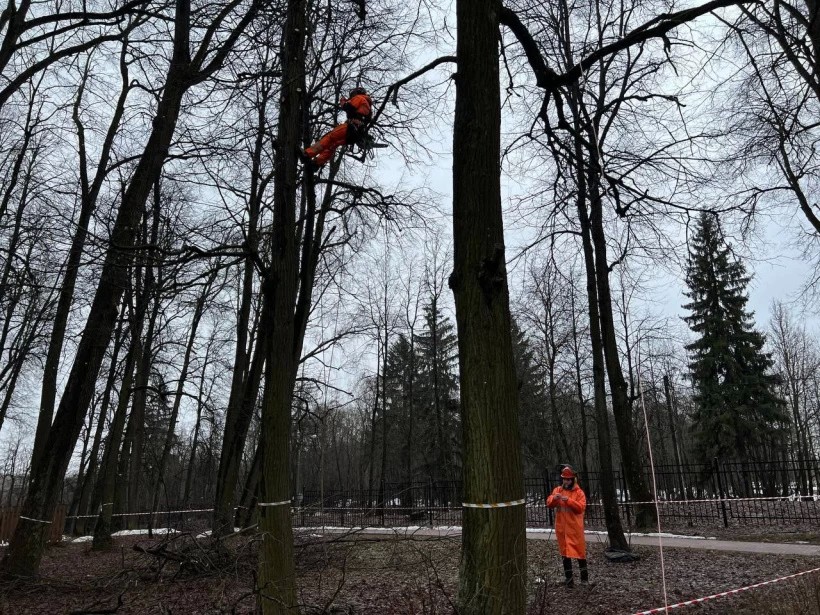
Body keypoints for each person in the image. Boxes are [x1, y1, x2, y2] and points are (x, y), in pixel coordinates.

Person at [301, 87, 373, 167]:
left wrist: (343, 101)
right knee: (333, 144)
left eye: (352, 95)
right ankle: (316, 163)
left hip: (350, 128)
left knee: (329, 137)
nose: (352, 97)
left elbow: (348, 107)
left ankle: (307, 154)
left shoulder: (360, 98)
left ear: (357, 93)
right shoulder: (369, 108)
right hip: (354, 135)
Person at [546, 465, 589, 587]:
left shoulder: (579, 493)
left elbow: (580, 508)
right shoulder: (558, 490)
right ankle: (569, 580)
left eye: (568, 479)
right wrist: (555, 498)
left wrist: (568, 501)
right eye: (564, 479)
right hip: (562, 529)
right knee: (565, 555)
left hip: (575, 529)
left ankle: (584, 580)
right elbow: (549, 503)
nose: (566, 481)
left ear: (573, 480)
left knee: (580, 554)